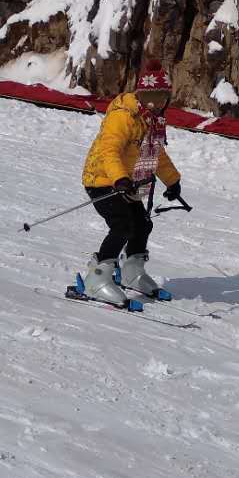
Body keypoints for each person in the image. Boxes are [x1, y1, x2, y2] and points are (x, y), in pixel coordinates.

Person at [80, 64, 184, 305]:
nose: (154, 103)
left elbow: (155, 153)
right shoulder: (123, 115)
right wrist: (119, 178)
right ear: (139, 94)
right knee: (122, 225)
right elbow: (109, 150)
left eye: (160, 97)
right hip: (102, 179)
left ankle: (132, 273)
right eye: (149, 97)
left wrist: (173, 180)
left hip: (126, 182)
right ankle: (96, 279)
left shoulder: (152, 120)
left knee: (142, 224)